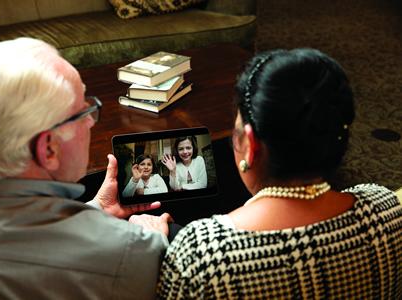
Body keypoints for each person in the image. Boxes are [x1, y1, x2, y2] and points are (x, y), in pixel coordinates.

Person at [131, 49, 402, 298]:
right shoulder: (386, 209)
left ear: (249, 145)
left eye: (235, 133)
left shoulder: (202, 256)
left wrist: (157, 243)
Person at [0, 37, 173, 299]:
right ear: (48, 149)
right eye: (82, 112)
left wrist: (97, 209)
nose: (91, 122)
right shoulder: (127, 250)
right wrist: (155, 241)